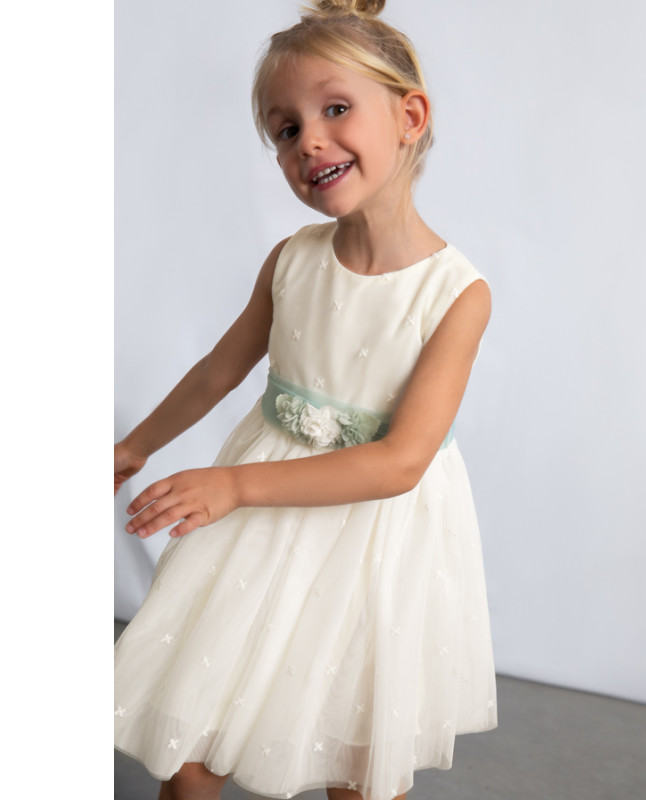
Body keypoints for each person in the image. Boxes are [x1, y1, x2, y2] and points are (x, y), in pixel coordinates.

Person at [114, 1, 498, 798]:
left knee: (352, 759)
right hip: (258, 528)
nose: (309, 141)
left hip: (372, 540)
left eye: (335, 110)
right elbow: (218, 371)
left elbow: (399, 463)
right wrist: (134, 445)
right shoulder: (293, 258)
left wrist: (233, 484)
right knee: (194, 736)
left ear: (409, 117)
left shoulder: (456, 295)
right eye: (285, 129)